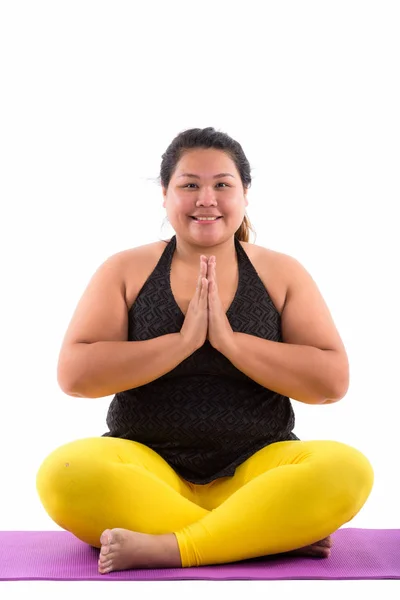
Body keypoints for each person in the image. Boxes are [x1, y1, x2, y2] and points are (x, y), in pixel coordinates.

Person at [36, 127, 374, 574]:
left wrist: (231, 343)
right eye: (190, 184)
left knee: (347, 469)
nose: (206, 198)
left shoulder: (281, 272)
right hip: (147, 471)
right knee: (64, 473)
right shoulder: (126, 270)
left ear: (245, 194)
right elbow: (75, 376)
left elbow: (331, 384)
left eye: (222, 185)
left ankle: (173, 547)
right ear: (165, 194)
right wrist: (181, 343)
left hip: (258, 473)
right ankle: (259, 535)